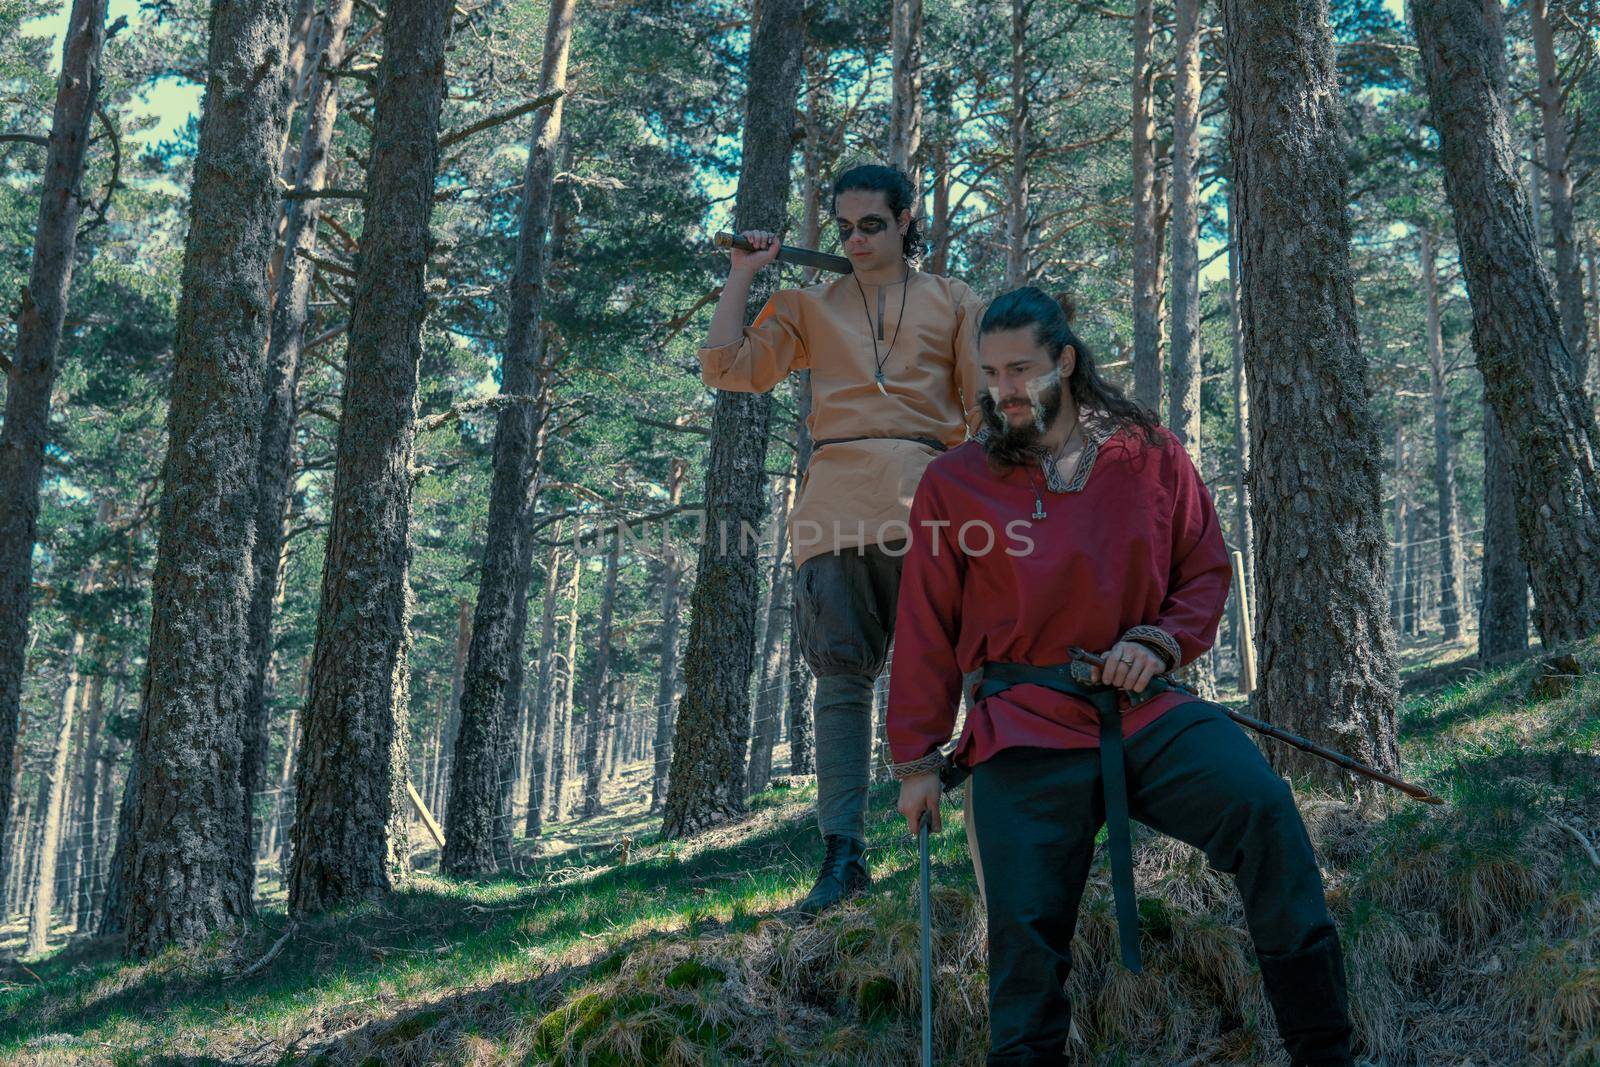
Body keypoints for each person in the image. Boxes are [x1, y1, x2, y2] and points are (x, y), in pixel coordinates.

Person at [886, 288, 1355, 1066]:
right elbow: (925, 625)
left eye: (1021, 369)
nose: (1002, 388)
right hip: (1021, 721)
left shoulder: (1149, 453)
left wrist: (1161, 641)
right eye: (990, 371)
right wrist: (915, 761)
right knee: (1024, 932)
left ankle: (1324, 1049)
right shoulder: (954, 481)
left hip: (1144, 707)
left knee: (1265, 810)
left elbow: (1205, 565)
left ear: (1065, 362)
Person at [698, 163, 986, 917]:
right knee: (841, 681)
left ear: (906, 221)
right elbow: (729, 370)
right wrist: (743, 274)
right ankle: (843, 856)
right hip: (832, 508)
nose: (856, 240)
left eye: (873, 225)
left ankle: (1002, 830)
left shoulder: (952, 300)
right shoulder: (805, 305)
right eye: (845, 227)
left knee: (981, 662)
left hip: (932, 503)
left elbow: (985, 412)